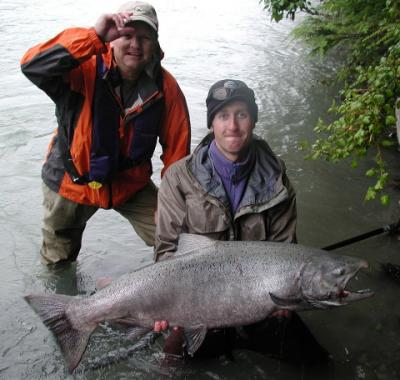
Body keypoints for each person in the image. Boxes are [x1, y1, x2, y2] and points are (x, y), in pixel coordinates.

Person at [153, 79, 329, 366]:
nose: (232, 125)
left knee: (318, 364)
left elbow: (286, 251)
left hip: (262, 303)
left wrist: (288, 298)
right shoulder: (178, 178)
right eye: (223, 115)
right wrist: (166, 304)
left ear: (253, 121)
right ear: (212, 123)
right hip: (196, 303)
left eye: (241, 114)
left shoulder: (277, 181)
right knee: (171, 369)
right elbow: (166, 251)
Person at [20, 1, 191, 265]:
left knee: (181, 240)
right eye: (128, 35)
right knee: (57, 264)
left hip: (130, 184)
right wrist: (93, 36)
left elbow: (177, 154)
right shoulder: (83, 69)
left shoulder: (166, 88)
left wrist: (170, 203)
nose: (135, 44)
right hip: (70, 182)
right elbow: (32, 66)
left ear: (155, 47)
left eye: (145, 38)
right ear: (113, 39)